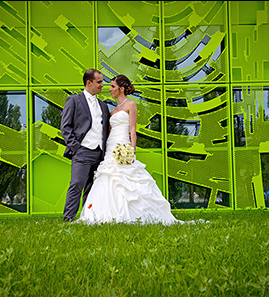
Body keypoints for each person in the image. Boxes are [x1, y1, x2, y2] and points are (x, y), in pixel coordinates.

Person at [77, 75, 193, 225]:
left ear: (122, 88)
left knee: (126, 177)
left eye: (113, 86)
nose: (110, 89)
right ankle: (104, 214)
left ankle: (133, 213)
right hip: (111, 146)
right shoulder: (112, 111)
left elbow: (132, 129)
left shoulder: (131, 105)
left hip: (123, 143)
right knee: (108, 176)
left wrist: (132, 150)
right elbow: (108, 132)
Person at [60, 69, 110, 222]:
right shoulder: (74, 100)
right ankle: (68, 219)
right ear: (89, 83)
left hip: (99, 153)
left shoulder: (103, 105)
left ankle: (87, 218)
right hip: (82, 151)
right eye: (99, 82)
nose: (103, 85)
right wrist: (76, 149)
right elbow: (65, 127)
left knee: (92, 188)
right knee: (76, 185)